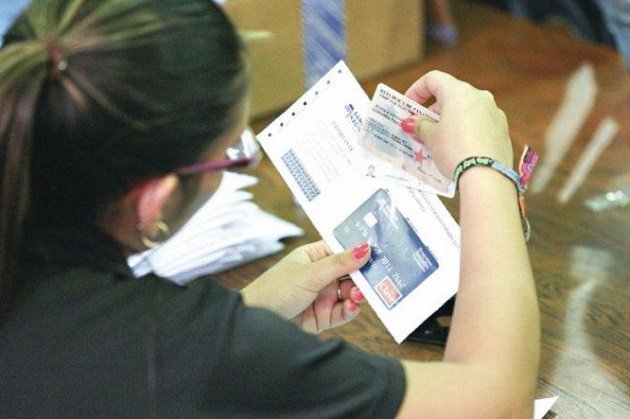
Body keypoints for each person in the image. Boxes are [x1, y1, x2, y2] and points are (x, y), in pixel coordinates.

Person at [0, 0, 540, 417]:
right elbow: (495, 400)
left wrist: (248, 317)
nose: (244, 162)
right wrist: (485, 163)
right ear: (155, 201)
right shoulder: (173, 351)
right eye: (232, 154)